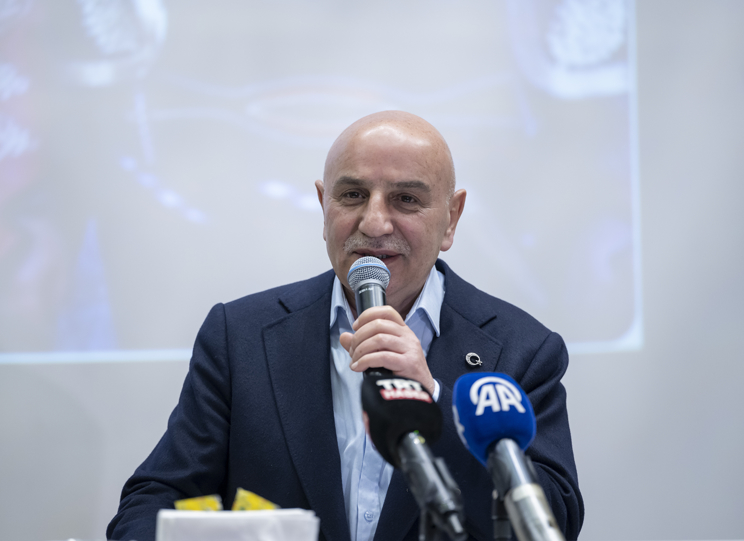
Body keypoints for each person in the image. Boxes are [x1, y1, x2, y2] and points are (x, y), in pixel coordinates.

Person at [107, 111, 584, 541]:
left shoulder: (522, 350)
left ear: (451, 219)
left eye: (406, 199)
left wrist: (436, 403)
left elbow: (554, 522)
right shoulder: (240, 336)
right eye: (353, 195)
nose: (374, 223)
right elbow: (152, 503)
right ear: (324, 205)